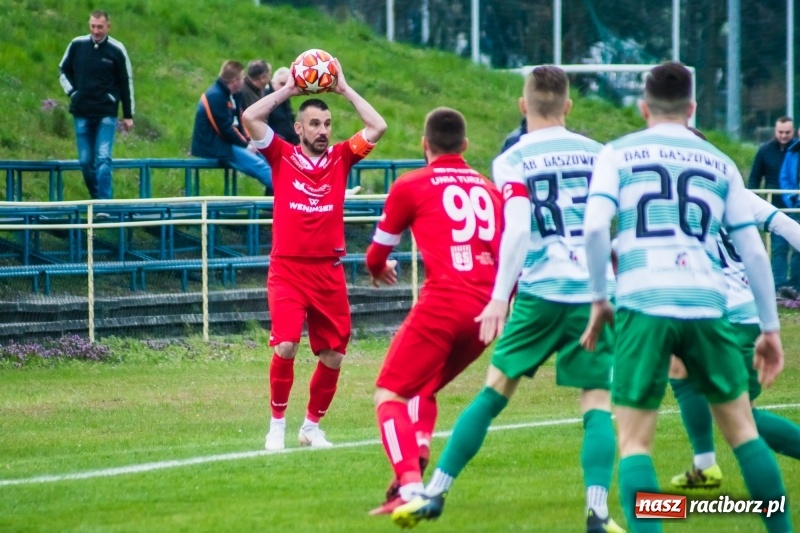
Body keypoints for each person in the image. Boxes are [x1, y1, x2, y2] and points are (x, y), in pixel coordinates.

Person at [392, 66, 624, 533]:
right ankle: (598, 512)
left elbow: (517, 228)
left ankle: (434, 493)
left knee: (495, 392)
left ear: (523, 105)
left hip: (540, 292)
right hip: (592, 293)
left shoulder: (512, 159)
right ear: (568, 106)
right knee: (598, 404)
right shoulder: (601, 154)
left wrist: (500, 297)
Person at [581, 61, 789, 533]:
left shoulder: (617, 153)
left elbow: (594, 229)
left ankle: (666, 505)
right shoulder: (720, 162)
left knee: (635, 443)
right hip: (706, 303)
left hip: (643, 301)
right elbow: (754, 251)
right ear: (692, 108)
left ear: (643, 107)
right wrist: (771, 328)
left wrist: (599, 300)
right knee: (744, 432)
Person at [364, 107, 503, 516]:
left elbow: (377, 253)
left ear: (424, 144)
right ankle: (419, 452)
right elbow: (511, 253)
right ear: (465, 145)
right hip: (486, 312)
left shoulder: (412, 184)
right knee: (421, 387)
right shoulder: (490, 189)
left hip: (444, 303)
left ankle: (409, 487)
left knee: (389, 394)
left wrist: (378, 269)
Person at [242, 58, 387, 451]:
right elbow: (250, 117)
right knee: (286, 345)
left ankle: (310, 427)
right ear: (299, 128)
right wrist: (289, 89)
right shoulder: (281, 155)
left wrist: (344, 89)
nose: (323, 131)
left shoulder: (342, 157)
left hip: (328, 270)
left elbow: (378, 126)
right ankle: (276, 427)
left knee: (334, 353)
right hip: (288, 270)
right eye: (315, 124)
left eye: (327, 124)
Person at [669, 188, 800, 491]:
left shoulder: (670, 196)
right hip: (740, 315)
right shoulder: (731, 190)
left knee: (742, 418)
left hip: (720, 315)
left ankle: (707, 465)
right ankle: (704, 464)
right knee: (678, 367)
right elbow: (786, 225)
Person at [59, 10, 134, 200]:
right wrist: (73, 93)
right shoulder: (77, 44)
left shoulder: (117, 49)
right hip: (81, 111)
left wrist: (128, 114)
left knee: (103, 158)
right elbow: (62, 70)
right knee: (85, 161)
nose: (96, 31)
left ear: (108, 26)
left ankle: (104, 203)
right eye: (93, 26)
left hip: (106, 112)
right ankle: (97, 199)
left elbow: (126, 82)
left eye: (100, 27)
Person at [190, 60, 273, 195]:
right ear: (235, 81)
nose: (244, 81)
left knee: (268, 158)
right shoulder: (216, 96)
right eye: (242, 78)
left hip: (228, 143)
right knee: (260, 166)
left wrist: (249, 140)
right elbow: (225, 129)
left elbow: (240, 121)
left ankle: (277, 202)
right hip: (216, 146)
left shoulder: (232, 95)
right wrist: (246, 146)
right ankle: (292, 194)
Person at [749, 116, 796, 294]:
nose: (784, 136)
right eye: (780, 132)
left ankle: (796, 285)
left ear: (793, 131)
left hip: (795, 203)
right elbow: (755, 177)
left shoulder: (797, 150)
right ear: (775, 131)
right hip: (774, 205)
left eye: (787, 132)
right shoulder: (765, 150)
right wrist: (753, 202)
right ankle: (780, 286)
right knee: (779, 247)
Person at [264, 67, 300, 145]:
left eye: (287, 85)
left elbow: (290, 123)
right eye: (282, 84)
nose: (285, 88)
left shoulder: (284, 99)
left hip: (289, 143)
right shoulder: (265, 99)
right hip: (273, 144)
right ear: (273, 83)